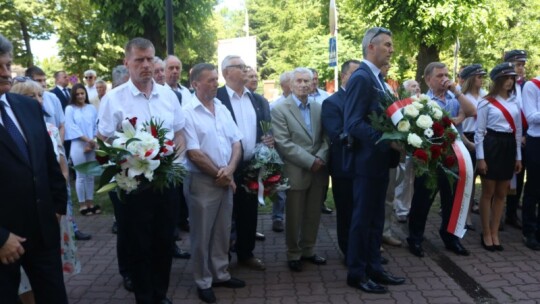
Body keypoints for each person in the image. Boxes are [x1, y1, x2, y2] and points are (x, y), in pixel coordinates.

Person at [98, 37, 185, 304]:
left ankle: (160, 293)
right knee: (138, 245)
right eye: (139, 60)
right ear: (127, 63)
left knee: (163, 241)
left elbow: (180, 132)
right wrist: (127, 157)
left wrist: (172, 158)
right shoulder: (114, 99)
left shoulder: (168, 95)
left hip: (165, 183)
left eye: (149, 59)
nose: (146, 65)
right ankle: (145, 297)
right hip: (133, 185)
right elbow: (103, 140)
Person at [0, 33, 68, 304]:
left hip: (43, 233)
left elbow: (48, 163)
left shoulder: (27, 106)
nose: (7, 73)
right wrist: (1, 237)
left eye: (7, 65)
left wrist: (57, 208)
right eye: (0, 67)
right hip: (4, 243)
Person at [343, 27, 405, 294]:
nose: (391, 50)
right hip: (366, 162)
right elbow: (353, 123)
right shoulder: (361, 78)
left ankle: (374, 267)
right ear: (371, 47)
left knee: (376, 218)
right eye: (387, 45)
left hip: (380, 162)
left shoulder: (378, 79)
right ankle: (357, 273)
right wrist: (387, 140)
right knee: (362, 219)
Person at [11, 78, 81, 304]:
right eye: (32, 96)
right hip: (14, 226)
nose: (38, 101)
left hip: (47, 217)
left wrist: (58, 207)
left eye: (40, 95)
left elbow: (57, 167)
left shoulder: (42, 123)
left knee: (51, 284)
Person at [183, 63, 245, 304]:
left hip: (224, 178)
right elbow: (194, 153)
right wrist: (222, 176)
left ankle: (220, 273)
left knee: (222, 230)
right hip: (202, 181)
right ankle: (203, 280)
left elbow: (236, 142)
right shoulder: (187, 111)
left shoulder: (221, 107)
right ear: (195, 84)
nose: (215, 83)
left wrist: (229, 171)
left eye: (215, 79)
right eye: (209, 80)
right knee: (201, 232)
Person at [407, 61, 476, 258]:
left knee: (452, 200)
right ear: (428, 80)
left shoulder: (454, 100)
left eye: (446, 74)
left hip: (453, 159)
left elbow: (472, 112)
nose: (444, 78)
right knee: (423, 200)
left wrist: (457, 90)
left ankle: (450, 237)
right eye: (439, 76)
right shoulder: (421, 102)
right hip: (431, 160)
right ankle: (415, 238)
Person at [216, 55, 272, 271]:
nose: (245, 70)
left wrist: (269, 138)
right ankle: (221, 258)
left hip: (252, 165)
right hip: (225, 166)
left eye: (244, 65)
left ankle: (245, 253)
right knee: (223, 215)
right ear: (226, 72)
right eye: (240, 67)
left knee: (248, 212)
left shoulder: (257, 100)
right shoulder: (217, 97)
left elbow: (266, 129)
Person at [271, 67, 329, 272]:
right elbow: (283, 143)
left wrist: (321, 157)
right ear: (290, 84)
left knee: (313, 213)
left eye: (308, 81)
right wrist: (309, 160)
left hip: (319, 168)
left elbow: (326, 138)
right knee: (294, 215)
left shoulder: (318, 107)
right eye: (299, 81)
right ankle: (293, 253)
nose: (304, 84)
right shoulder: (279, 109)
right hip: (296, 169)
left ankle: (308, 250)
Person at [476, 63, 523, 251]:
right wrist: (481, 158)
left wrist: (518, 157)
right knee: (488, 192)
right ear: (497, 80)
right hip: (492, 144)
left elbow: (518, 132)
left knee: (502, 193)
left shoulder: (515, 102)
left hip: (509, 145)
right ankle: (486, 232)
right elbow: (479, 132)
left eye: (512, 78)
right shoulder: (486, 102)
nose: (510, 82)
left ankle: (495, 232)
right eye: (506, 78)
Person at [321, 59, 361, 258]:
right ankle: (348, 252)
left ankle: (363, 250)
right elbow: (336, 135)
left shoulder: (364, 98)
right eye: (355, 73)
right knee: (346, 213)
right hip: (344, 167)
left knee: (363, 212)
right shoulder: (332, 102)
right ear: (344, 76)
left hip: (365, 167)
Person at [459, 64, 487, 230]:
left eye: (482, 76)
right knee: (468, 178)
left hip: (483, 137)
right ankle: (466, 215)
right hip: (468, 136)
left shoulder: (485, 95)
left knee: (483, 177)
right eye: (478, 76)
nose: (481, 80)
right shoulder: (463, 96)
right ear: (470, 79)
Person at [65, 83, 99, 216]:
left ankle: (90, 202)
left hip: (92, 144)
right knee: (81, 176)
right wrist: (87, 141)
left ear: (85, 94)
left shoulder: (91, 108)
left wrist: (93, 141)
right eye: (77, 94)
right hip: (78, 144)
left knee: (90, 175)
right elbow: (71, 127)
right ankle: (82, 204)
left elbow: (97, 124)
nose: (80, 96)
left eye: (82, 93)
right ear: (74, 95)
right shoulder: (70, 109)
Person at [504, 50, 528, 230]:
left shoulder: (527, 86)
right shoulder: (503, 86)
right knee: (501, 176)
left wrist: (525, 135)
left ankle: (512, 213)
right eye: (517, 65)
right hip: (505, 136)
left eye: (522, 65)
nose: (520, 69)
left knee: (518, 176)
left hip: (525, 137)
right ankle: (496, 212)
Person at [520, 67, 540, 250]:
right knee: (534, 187)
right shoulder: (532, 86)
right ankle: (530, 230)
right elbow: (531, 117)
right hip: (536, 141)